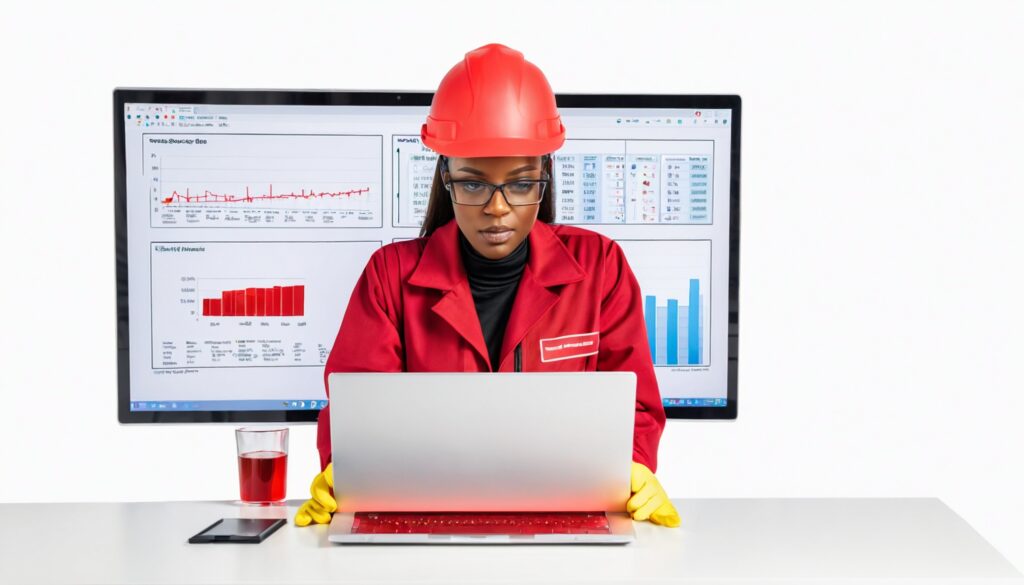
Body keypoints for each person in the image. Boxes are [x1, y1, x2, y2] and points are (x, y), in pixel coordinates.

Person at [295, 43, 680, 528]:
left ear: (544, 177)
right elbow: (355, 411)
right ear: (446, 178)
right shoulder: (389, 277)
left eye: (520, 184)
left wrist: (637, 465)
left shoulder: (600, 267)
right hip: (417, 519)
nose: (497, 208)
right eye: (475, 184)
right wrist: (342, 469)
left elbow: (638, 407)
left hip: (570, 515)